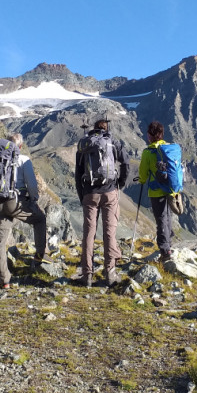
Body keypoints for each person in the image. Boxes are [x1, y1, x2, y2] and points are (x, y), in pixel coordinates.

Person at [0, 133, 49, 288]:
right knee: (39, 219)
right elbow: (32, 184)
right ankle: (41, 254)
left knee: (0, 242)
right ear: (19, 147)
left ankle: (3, 280)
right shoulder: (22, 160)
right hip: (16, 202)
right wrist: (33, 200)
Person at [75, 119, 130, 287]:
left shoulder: (84, 144)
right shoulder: (113, 142)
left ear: (93, 129)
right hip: (109, 192)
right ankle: (110, 273)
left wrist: (82, 195)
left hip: (90, 193)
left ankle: (87, 275)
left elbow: (78, 174)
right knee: (109, 232)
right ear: (106, 128)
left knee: (89, 234)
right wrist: (120, 182)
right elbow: (126, 163)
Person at [138, 120, 173, 262]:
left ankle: (165, 251)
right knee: (168, 217)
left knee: (161, 219)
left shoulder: (148, 152)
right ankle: (169, 244)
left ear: (150, 135)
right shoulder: (169, 148)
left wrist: (141, 180)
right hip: (170, 189)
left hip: (156, 190)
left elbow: (143, 173)